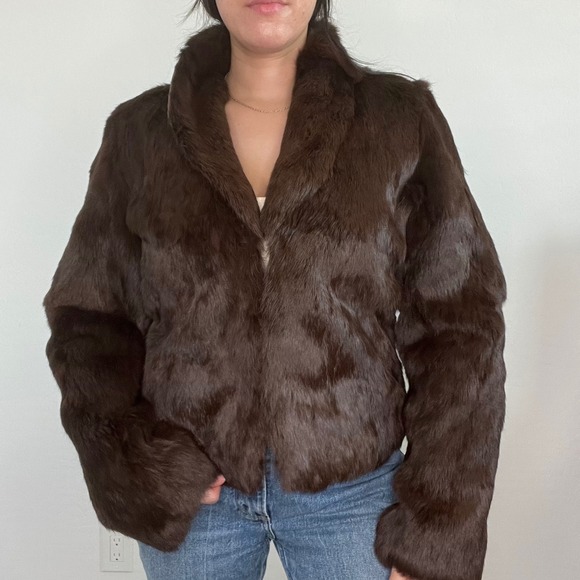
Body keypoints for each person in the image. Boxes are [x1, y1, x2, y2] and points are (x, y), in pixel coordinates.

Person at [42, 1, 507, 579]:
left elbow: (460, 325)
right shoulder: (139, 136)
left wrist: (437, 528)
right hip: (197, 497)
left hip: (352, 495)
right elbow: (88, 317)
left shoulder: (399, 121)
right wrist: (134, 463)